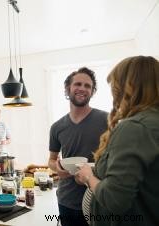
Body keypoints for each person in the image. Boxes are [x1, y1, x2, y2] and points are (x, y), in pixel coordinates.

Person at [75, 56, 159, 226]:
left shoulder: (135, 127)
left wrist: (88, 177)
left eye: (115, 85)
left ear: (129, 87)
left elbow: (114, 199)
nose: (114, 92)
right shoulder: (151, 121)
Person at [48, 67, 108, 226]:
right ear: (68, 89)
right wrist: (57, 168)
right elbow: (52, 160)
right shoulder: (57, 127)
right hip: (66, 200)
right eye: (78, 84)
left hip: (97, 199)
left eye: (88, 86)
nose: (82, 88)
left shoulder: (107, 120)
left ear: (93, 91)